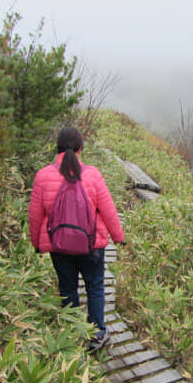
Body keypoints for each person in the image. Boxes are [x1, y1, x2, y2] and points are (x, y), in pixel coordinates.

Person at [28, 127, 125, 350]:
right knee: (95, 287)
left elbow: (35, 215)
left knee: (68, 289)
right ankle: (98, 334)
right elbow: (108, 210)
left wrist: (37, 243)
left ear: (57, 149)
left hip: (58, 245)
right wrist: (119, 238)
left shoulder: (43, 176)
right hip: (91, 245)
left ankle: (71, 335)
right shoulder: (92, 174)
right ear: (80, 149)